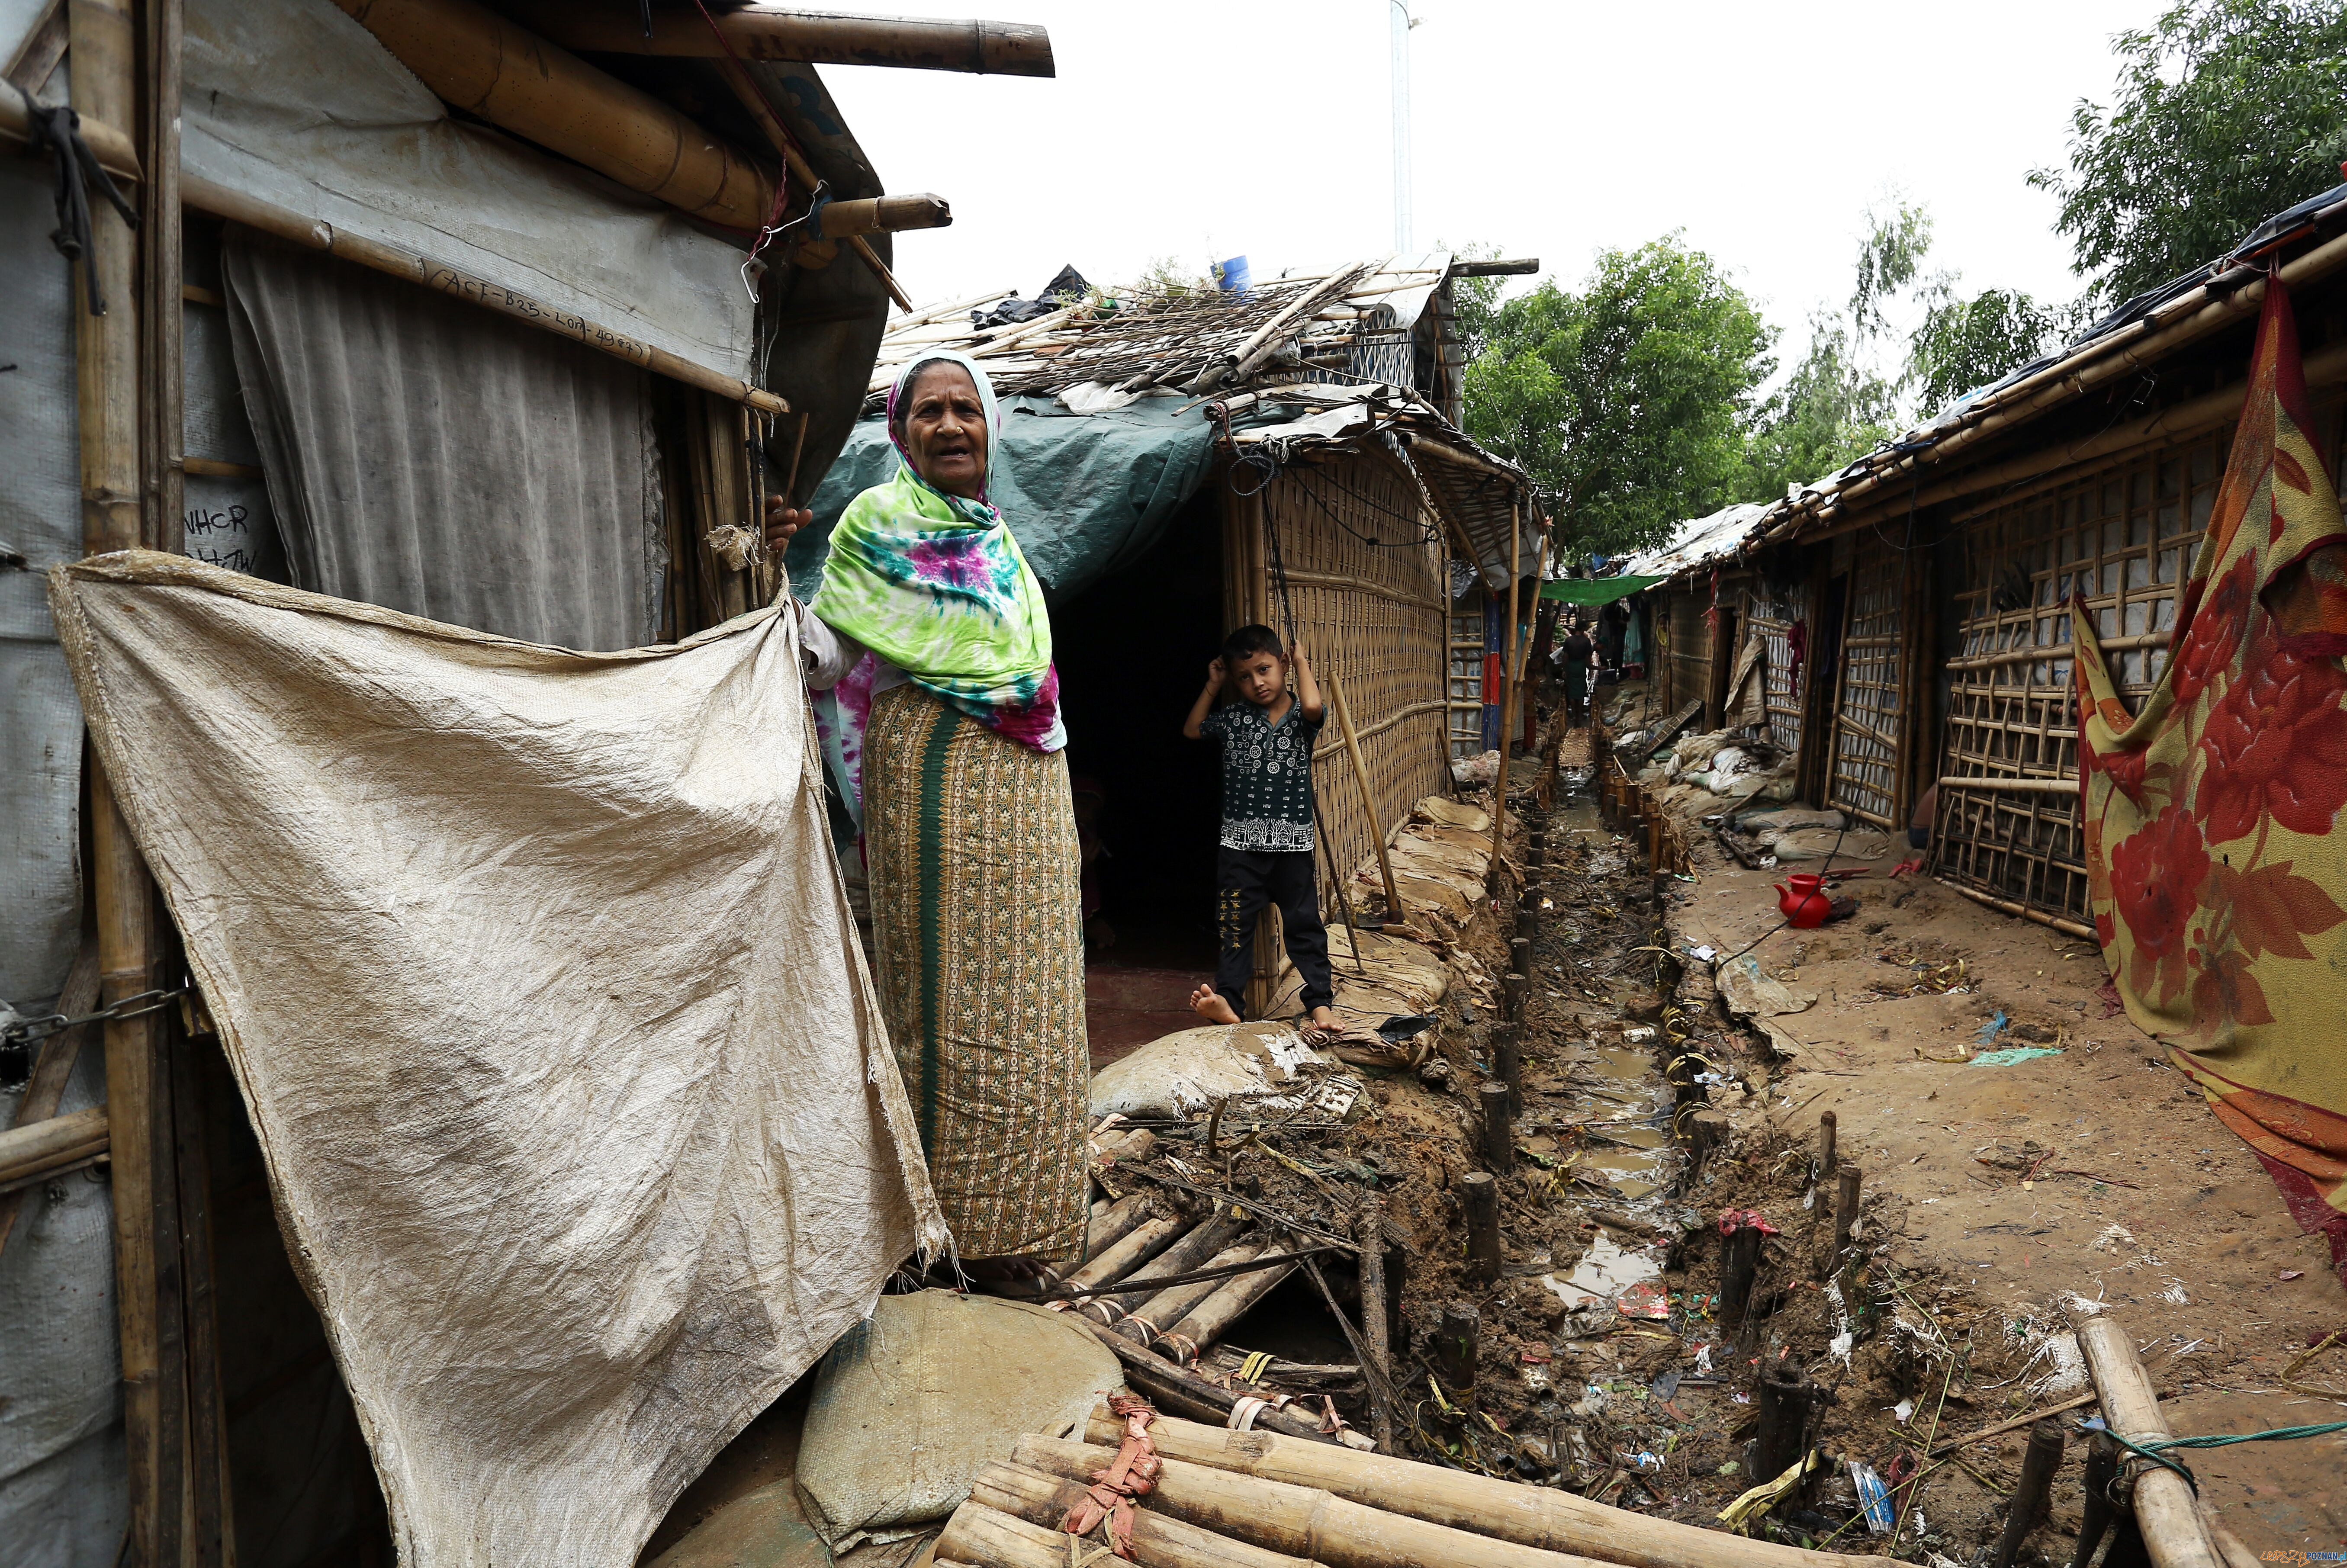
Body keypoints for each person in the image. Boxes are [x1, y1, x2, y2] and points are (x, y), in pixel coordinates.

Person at [762, 350, 1084, 1283]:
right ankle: (937, 1231)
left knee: (1037, 1008)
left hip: (1027, 789)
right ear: (901, 434)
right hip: (935, 790)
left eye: (966, 411)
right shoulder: (879, 523)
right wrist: (775, 574)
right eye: (929, 412)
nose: (950, 426)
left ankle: (1018, 1227)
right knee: (937, 1002)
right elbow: (822, 657)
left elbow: (1032, 688)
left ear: (990, 430)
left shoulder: (1000, 545)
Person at [1180, 625, 1339, 1038]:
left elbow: (1313, 704)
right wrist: (1214, 685)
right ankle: (1230, 1002)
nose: (1257, 683)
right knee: (1234, 927)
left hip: (1292, 846)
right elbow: (1193, 729)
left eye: (1265, 670)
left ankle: (1320, 1001)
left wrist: (1302, 663)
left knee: (1304, 924)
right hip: (1240, 848)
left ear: (1283, 665)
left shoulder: (1301, 721)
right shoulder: (1234, 718)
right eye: (1245, 677)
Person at [1557, 614, 1597, 728]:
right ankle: (1579, 716)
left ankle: (1574, 715)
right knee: (1580, 693)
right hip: (1580, 667)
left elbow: (1565, 657)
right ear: (1584, 629)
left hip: (1571, 666)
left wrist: (1564, 669)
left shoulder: (1569, 640)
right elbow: (1588, 659)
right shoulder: (1586, 642)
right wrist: (1590, 670)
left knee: (1572, 692)